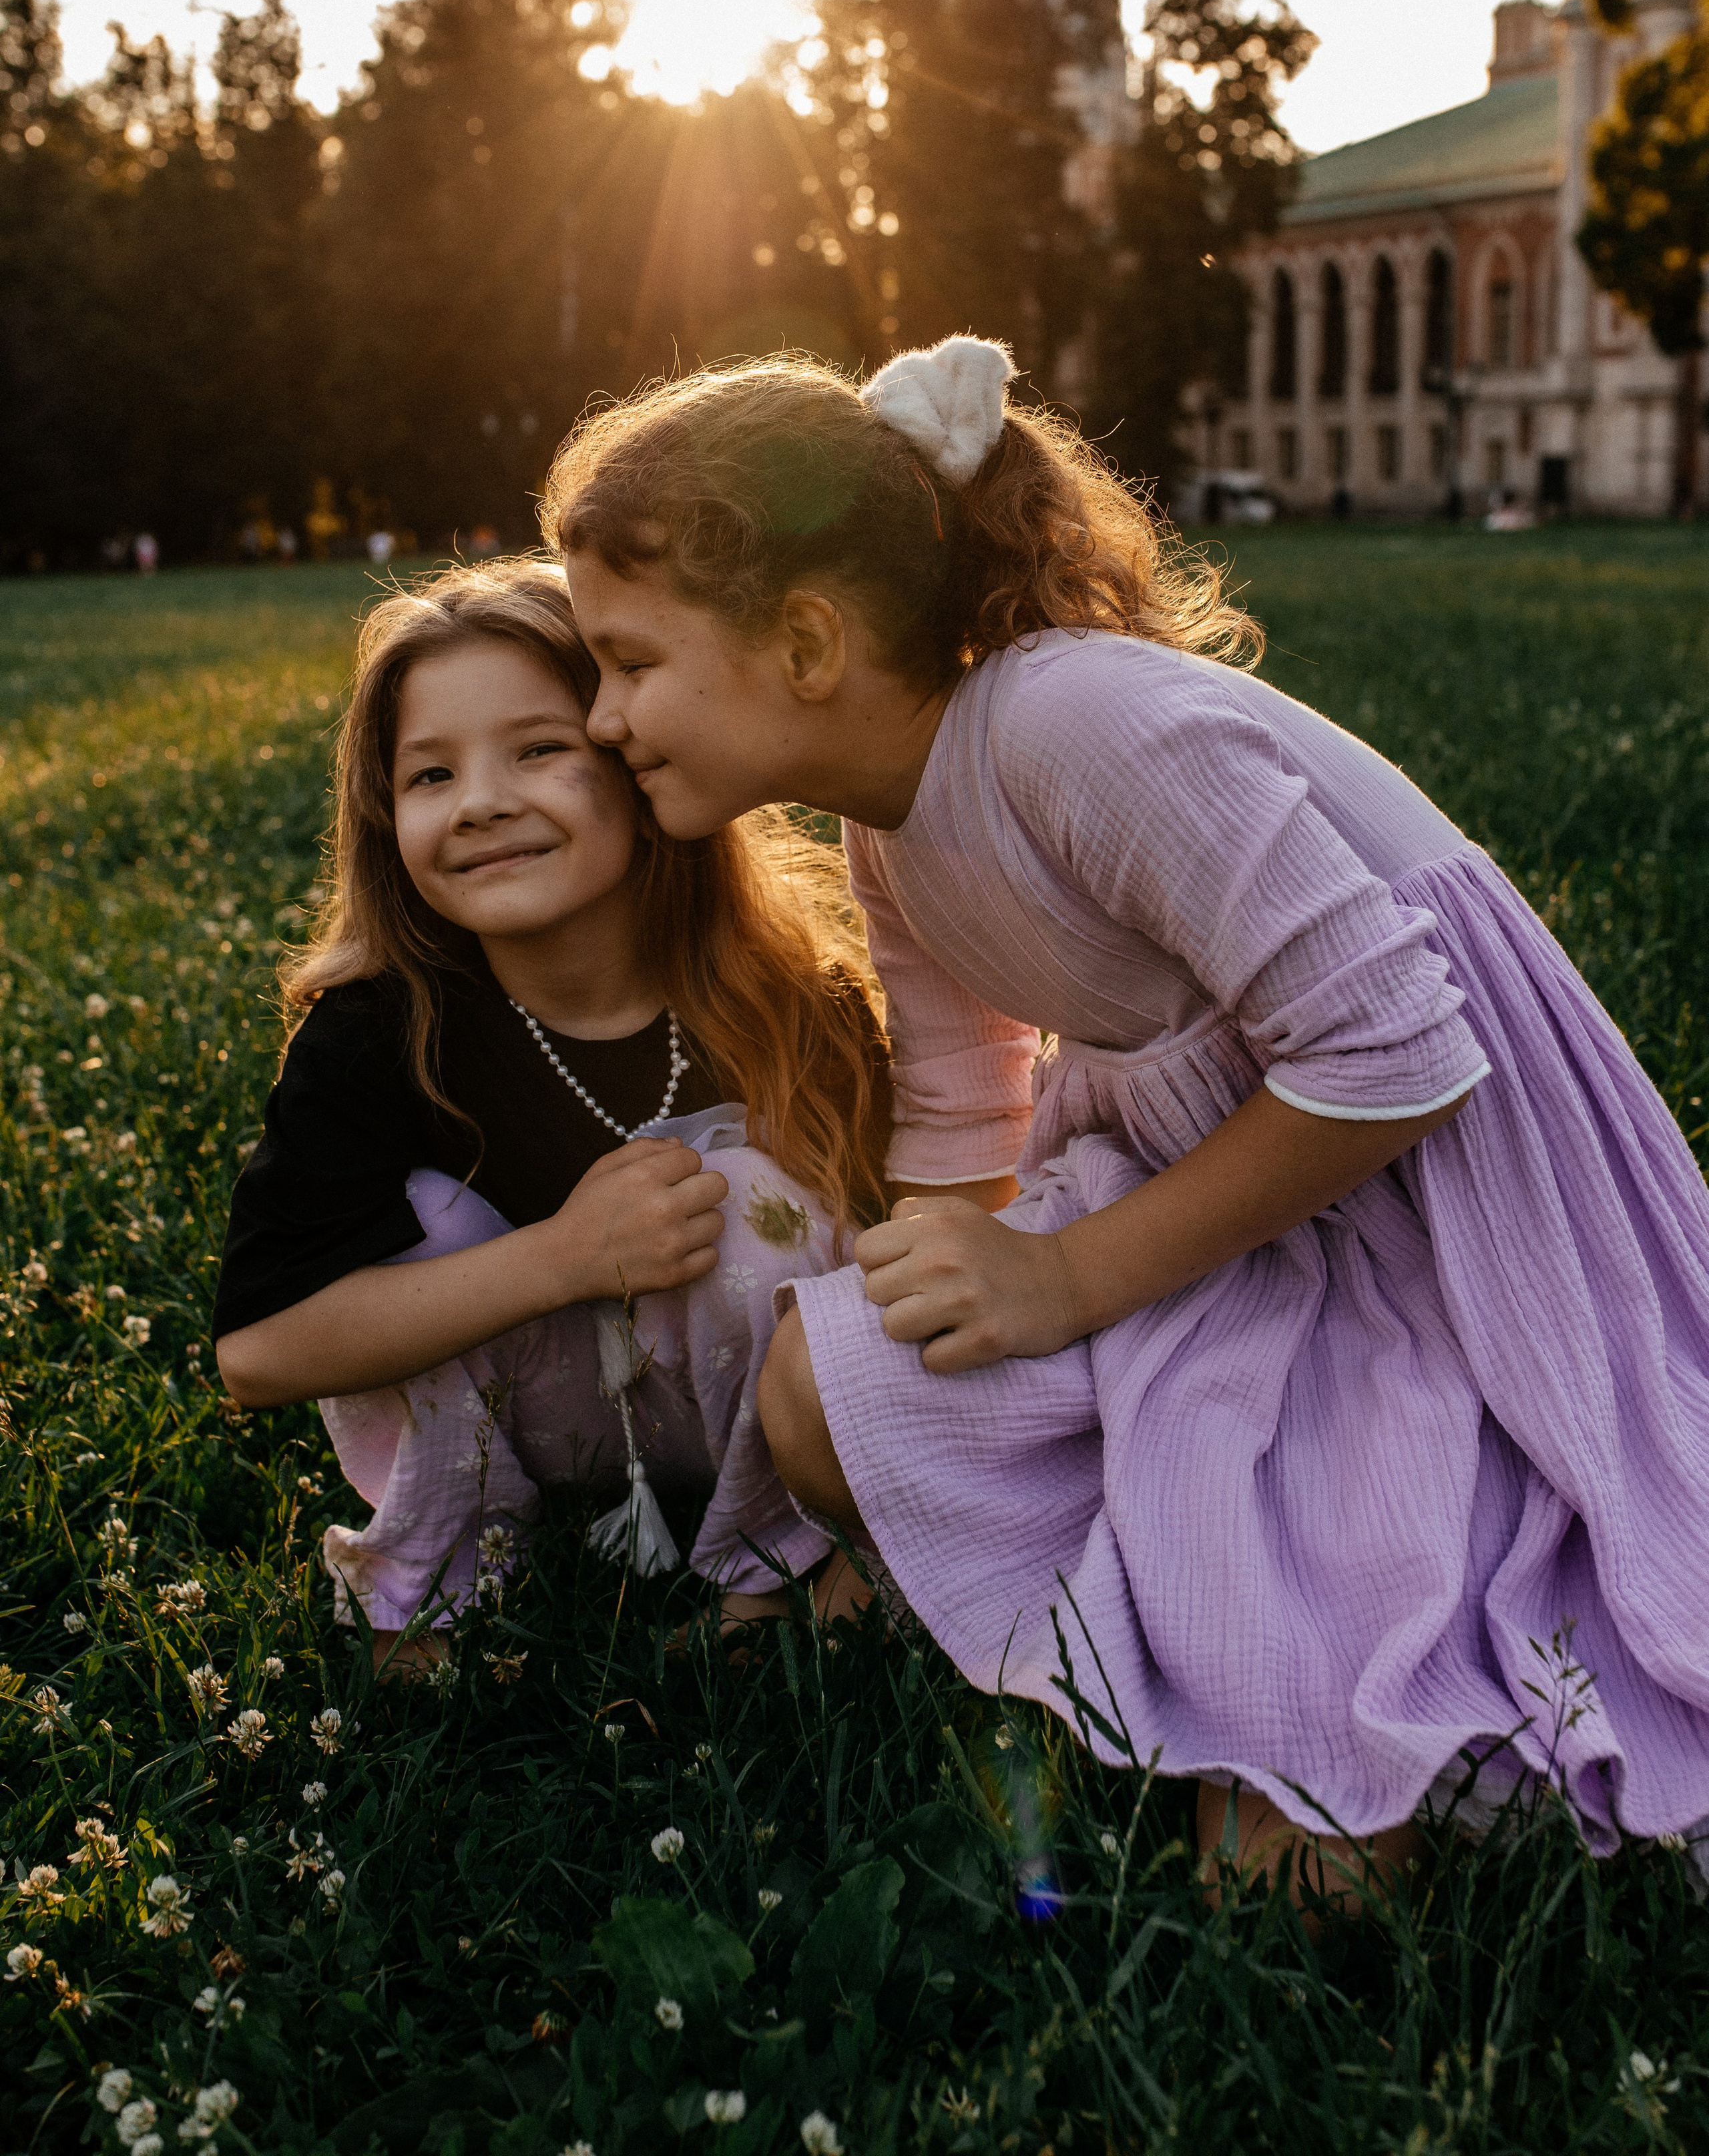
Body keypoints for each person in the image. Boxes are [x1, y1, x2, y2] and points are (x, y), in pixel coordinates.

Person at [546, 336, 1709, 1906]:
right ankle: (1125, 1552)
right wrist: (914, 1345)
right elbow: (959, 1120)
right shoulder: (891, 825)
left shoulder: (1071, 722)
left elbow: (1395, 1053)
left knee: (1285, 1872)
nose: (601, 717)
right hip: (1211, 1225)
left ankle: (1357, 1621)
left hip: (1448, 1236)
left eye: (627, 663)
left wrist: (1064, 1282)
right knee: (819, 1389)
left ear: (806, 640)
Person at [214, 560, 888, 1671]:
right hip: (533, 1419)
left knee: (746, 1196)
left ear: (642, 762)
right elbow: (257, 1351)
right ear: (388, 817)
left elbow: (898, 1271)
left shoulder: (790, 1001)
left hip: (756, 1411)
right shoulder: (379, 1032)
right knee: (424, 1218)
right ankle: (448, 1576)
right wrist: (563, 1259)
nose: (480, 800)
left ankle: (769, 1578)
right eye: (432, 773)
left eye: (538, 750)